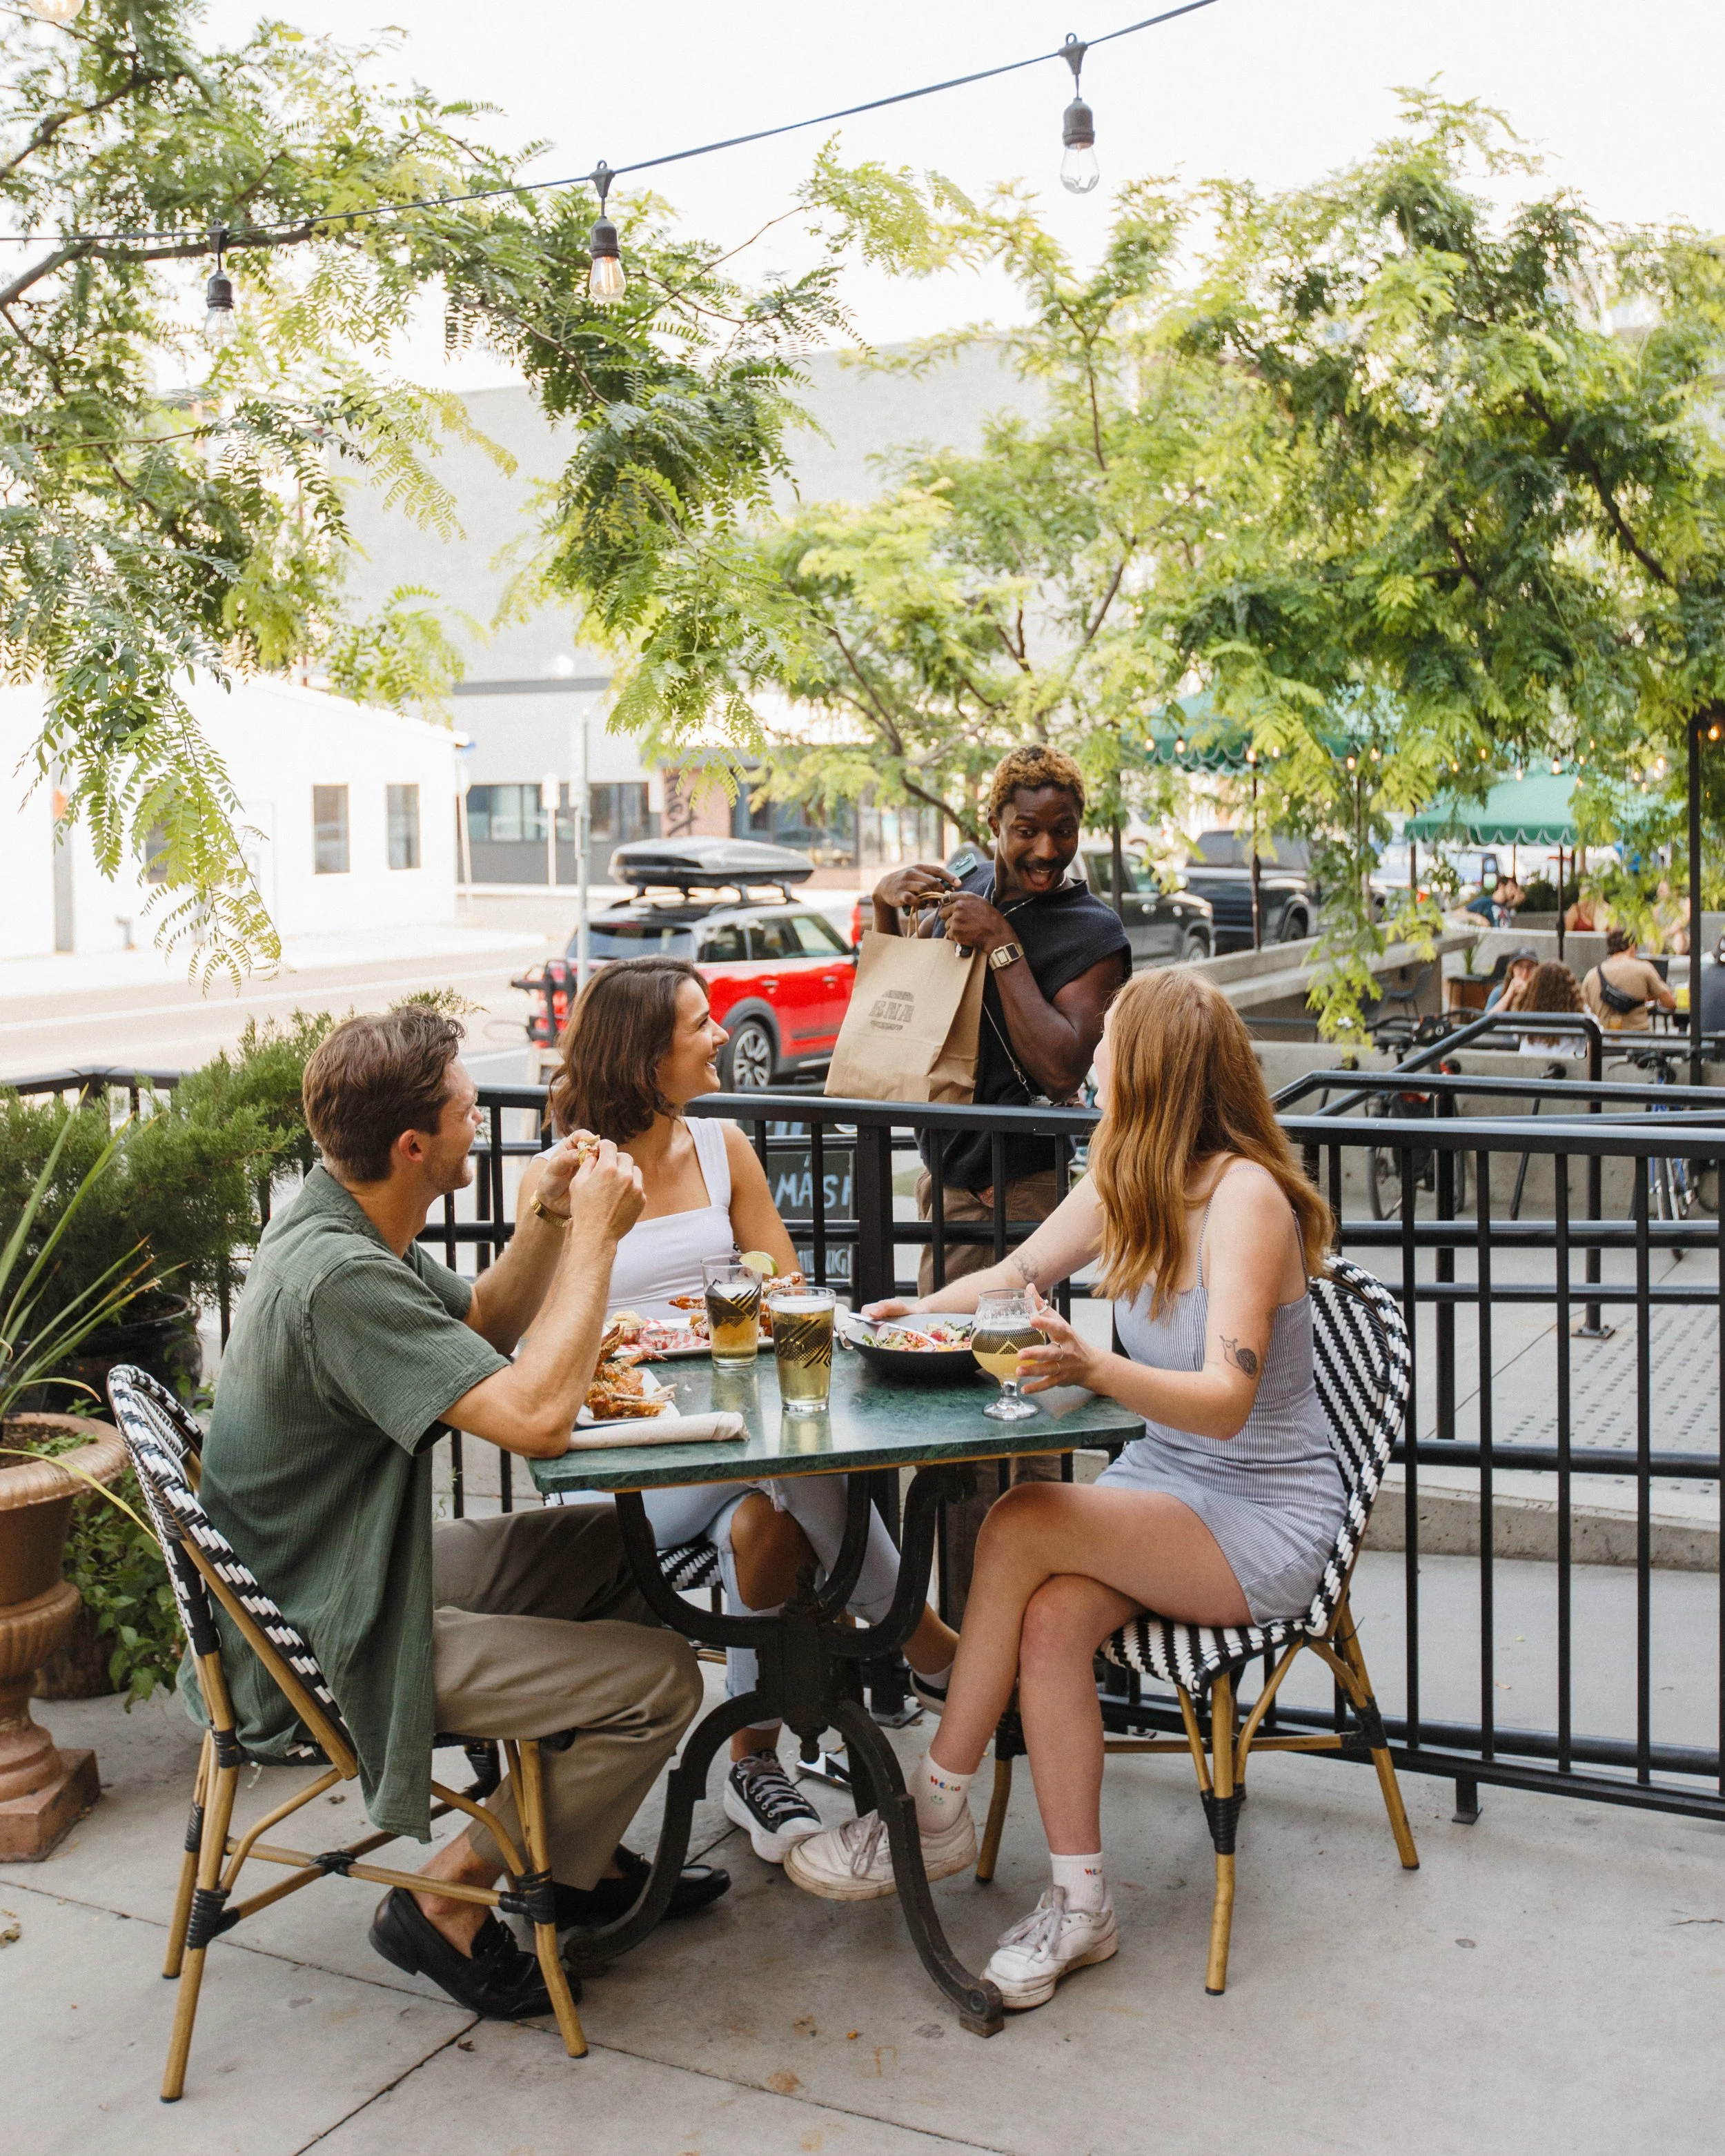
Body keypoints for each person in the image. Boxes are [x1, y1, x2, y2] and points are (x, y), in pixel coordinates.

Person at [781, 969, 1342, 2013]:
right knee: (1047, 1619)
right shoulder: (1132, 1174)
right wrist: (911, 1310)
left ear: (1157, 1072)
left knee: (1023, 1516)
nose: (1091, 1065)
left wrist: (1092, 1368)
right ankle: (1083, 1904)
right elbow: (1020, 1272)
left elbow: (1224, 1402)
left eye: (1110, 1048)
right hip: (1169, 1488)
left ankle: (934, 1807)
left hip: (1261, 1514)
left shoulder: (1246, 1200)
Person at [186, 1007, 724, 2026]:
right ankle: (446, 1898)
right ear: (412, 1145)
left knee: (624, 1547)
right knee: (659, 1682)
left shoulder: (332, 1216)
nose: (484, 1122)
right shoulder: (342, 1279)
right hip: (326, 1638)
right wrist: (601, 1243)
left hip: (342, 1568)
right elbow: (533, 1417)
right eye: (468, 1109)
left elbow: (477, 1320)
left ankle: (578, 1844)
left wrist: (550, 1222)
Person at [548, 958, 959, 1866]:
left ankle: (752, 1763)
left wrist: (740, 1303)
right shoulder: (576, 1173)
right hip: (630, 1456)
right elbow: (548, 1332)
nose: (722, 1035)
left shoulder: (723, 1146)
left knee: (767, 1527)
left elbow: (787, 1288)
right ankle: (924, 1643)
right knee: (791, 1469)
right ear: (647, 1057)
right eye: (701, 1023)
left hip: (732, 1436)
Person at [867, 744, 1132, 1605]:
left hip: (1027, 1200)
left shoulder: (1095, 934)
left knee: (1023, 1411)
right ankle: (945, 1637)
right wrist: (880, 910)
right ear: (995, 825)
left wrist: (1007, 948)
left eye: (1062, 830)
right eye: (1027, 830)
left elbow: (1062, 1066)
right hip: (943, 1192)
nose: (1047, 849)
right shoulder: (960, 892)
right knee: (942, 1409)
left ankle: (1028, 1620)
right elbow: (889, 1009)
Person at [1582, 929, 1677, 1031]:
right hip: (1637, 1039)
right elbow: (1670, 1002)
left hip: (1603, 1040)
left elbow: (1583, 1009)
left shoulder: (1591, 975)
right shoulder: (1644, 969)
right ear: (1632, 947)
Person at [1516, 959, 1591, 1056]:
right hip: (1569, 1068)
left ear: (1534, 988)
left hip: (1527, 1067)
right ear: (1570, 989)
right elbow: (1599, 1033)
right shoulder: (1581, 1018)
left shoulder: (1524, 1017)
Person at [1484, 947, 1539, 1013]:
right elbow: (1487, 1020)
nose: (1525, 973)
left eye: (1530, 967)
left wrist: (1527, 992)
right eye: (1520, 967)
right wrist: (1509, 995)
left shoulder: (1542, 992)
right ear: (1512, 969)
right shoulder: (1498, 992)